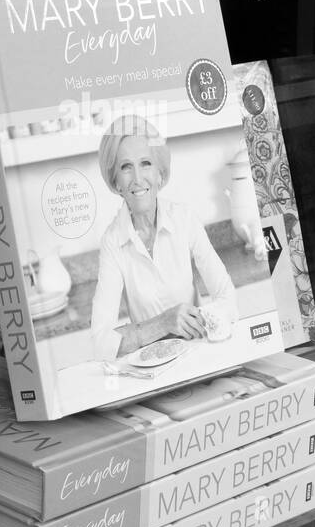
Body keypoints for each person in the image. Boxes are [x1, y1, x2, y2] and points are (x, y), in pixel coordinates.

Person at [89, 114, 236, 361]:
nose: (137, 178)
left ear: (159, 173)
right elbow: (101, 343)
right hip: (151, 368)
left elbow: (228, 298)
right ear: (116, 181)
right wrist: (163, 324)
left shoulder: (184, 219)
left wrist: (194, 319)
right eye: (126, 167)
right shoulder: (112, 241)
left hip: (200, 355)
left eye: (145, 163)